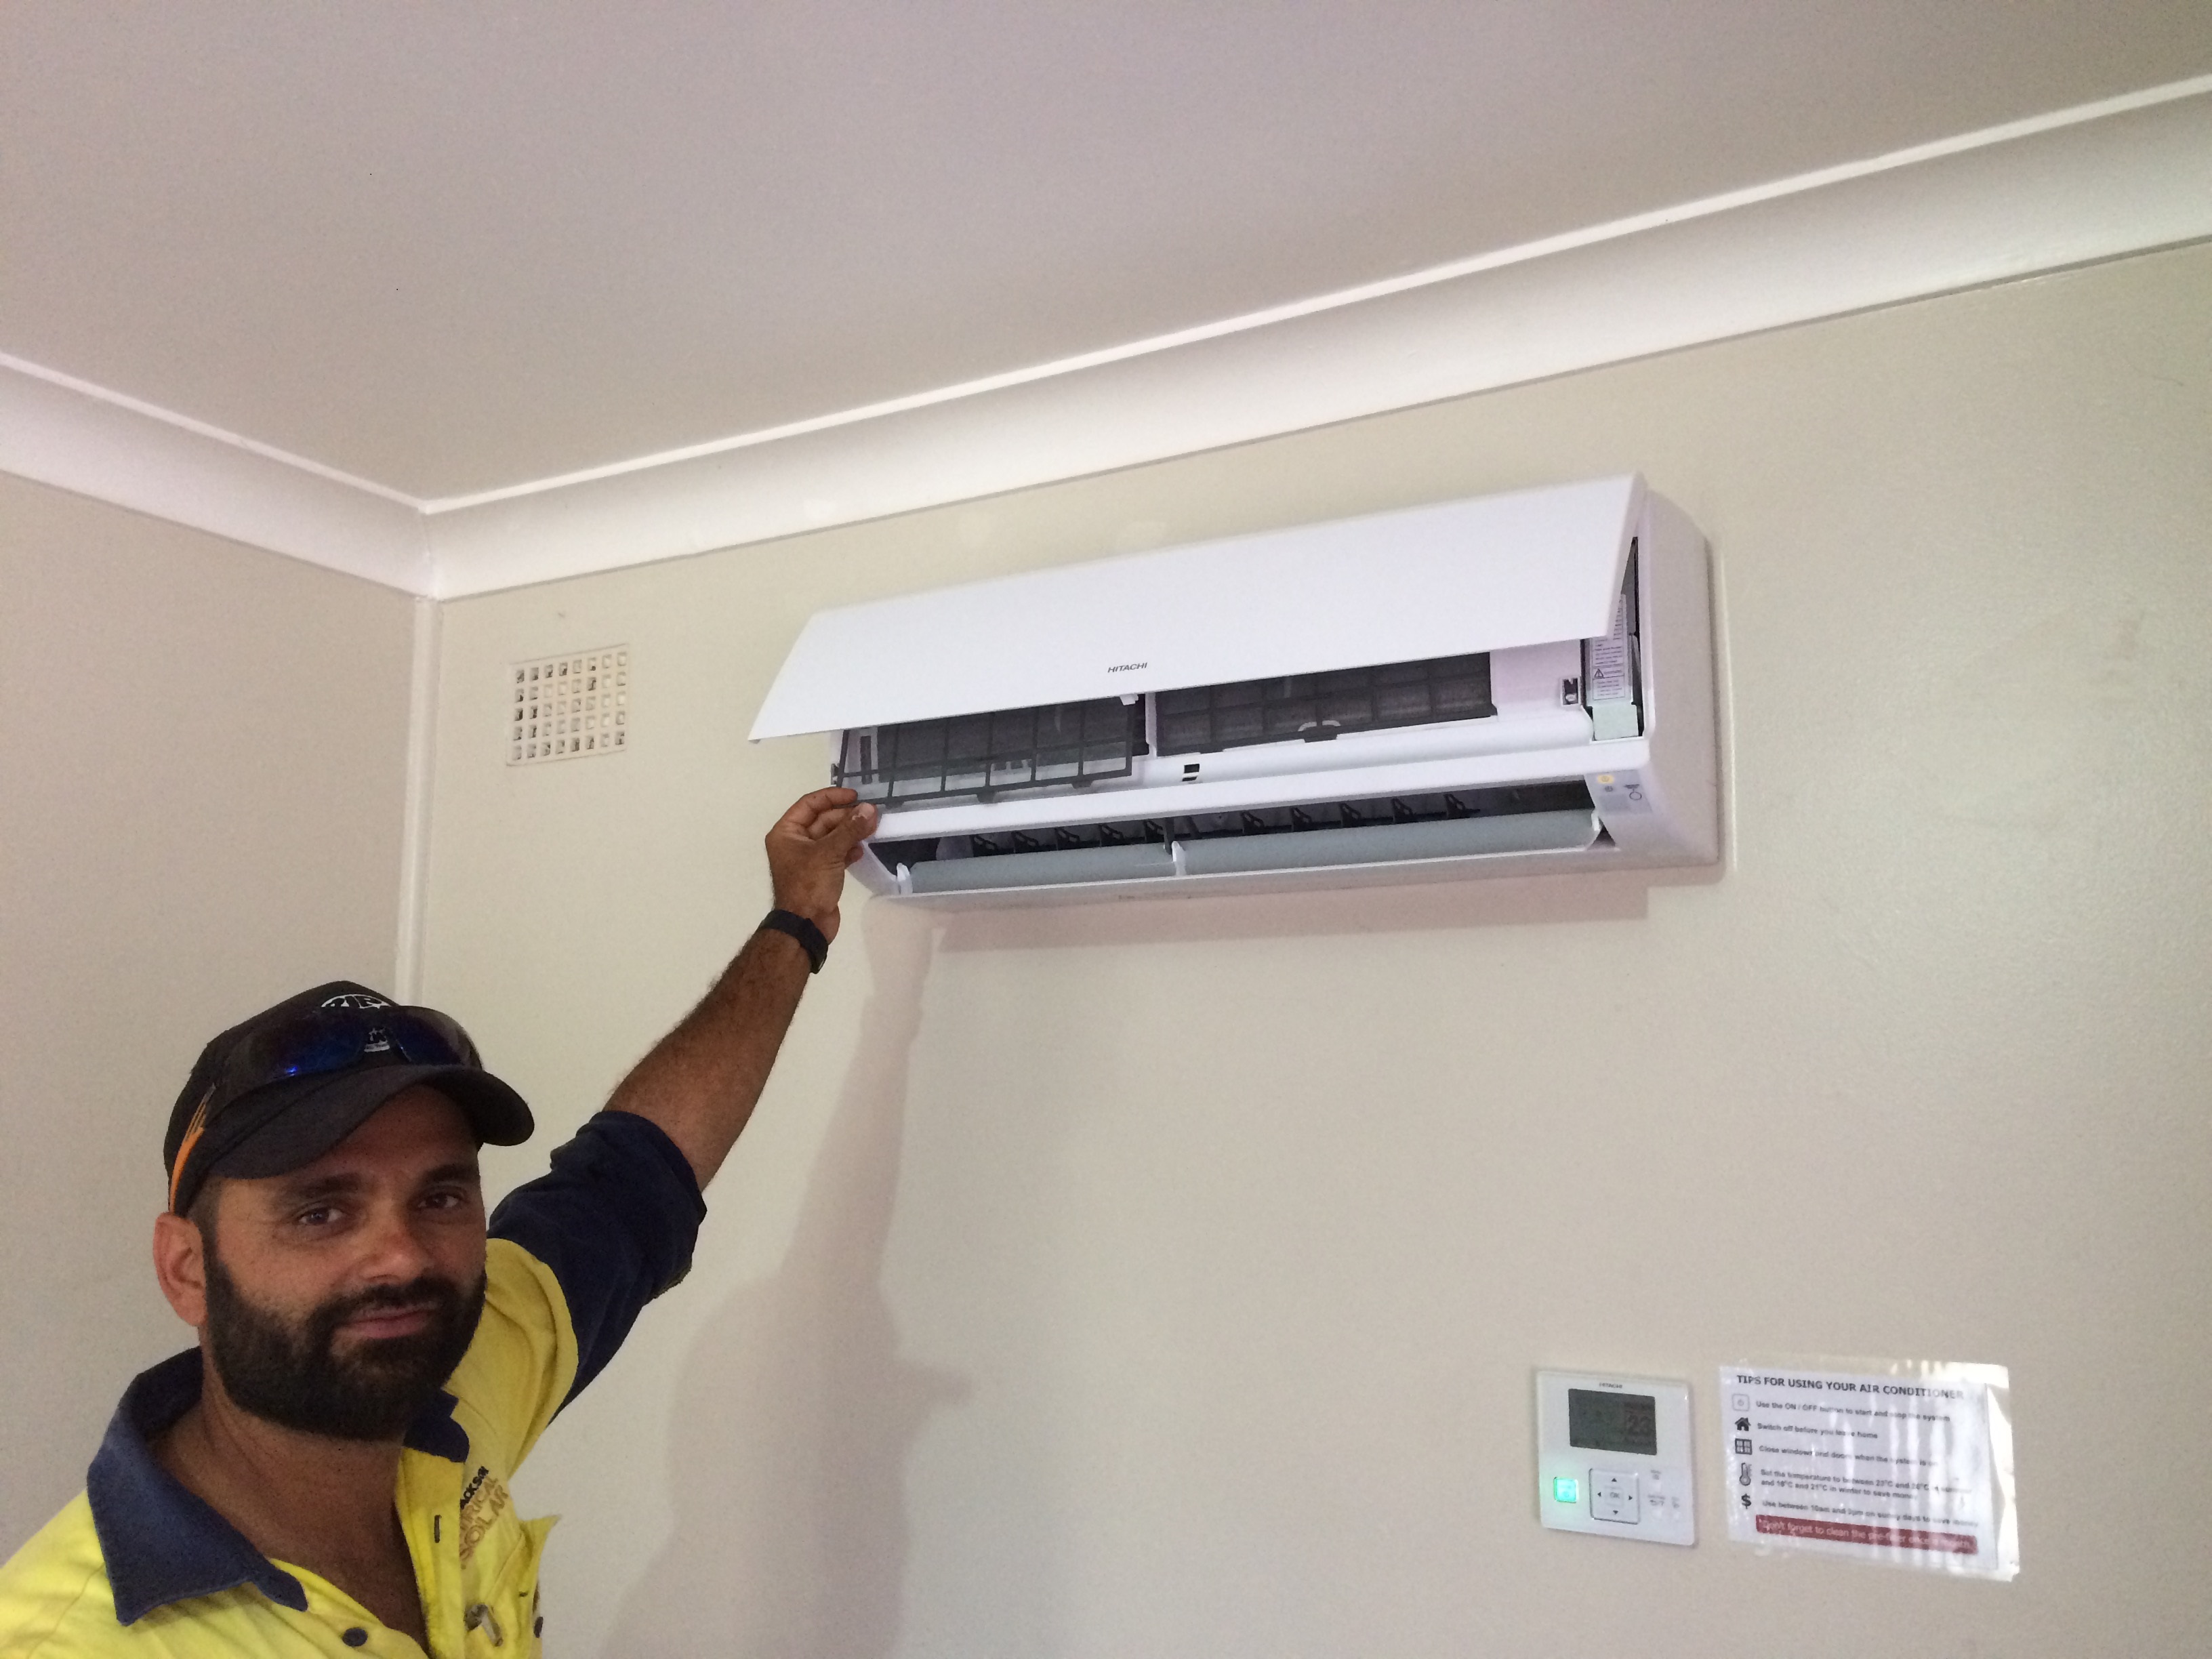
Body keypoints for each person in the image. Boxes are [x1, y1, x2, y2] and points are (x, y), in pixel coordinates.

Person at [0, 788, 878, 1658]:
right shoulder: (76, 1643)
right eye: (321, 1210)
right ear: (186, 1267)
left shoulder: (455, 1390)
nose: (401, 1254)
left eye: (441, 1196)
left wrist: (798, 919)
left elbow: (640, 1172)